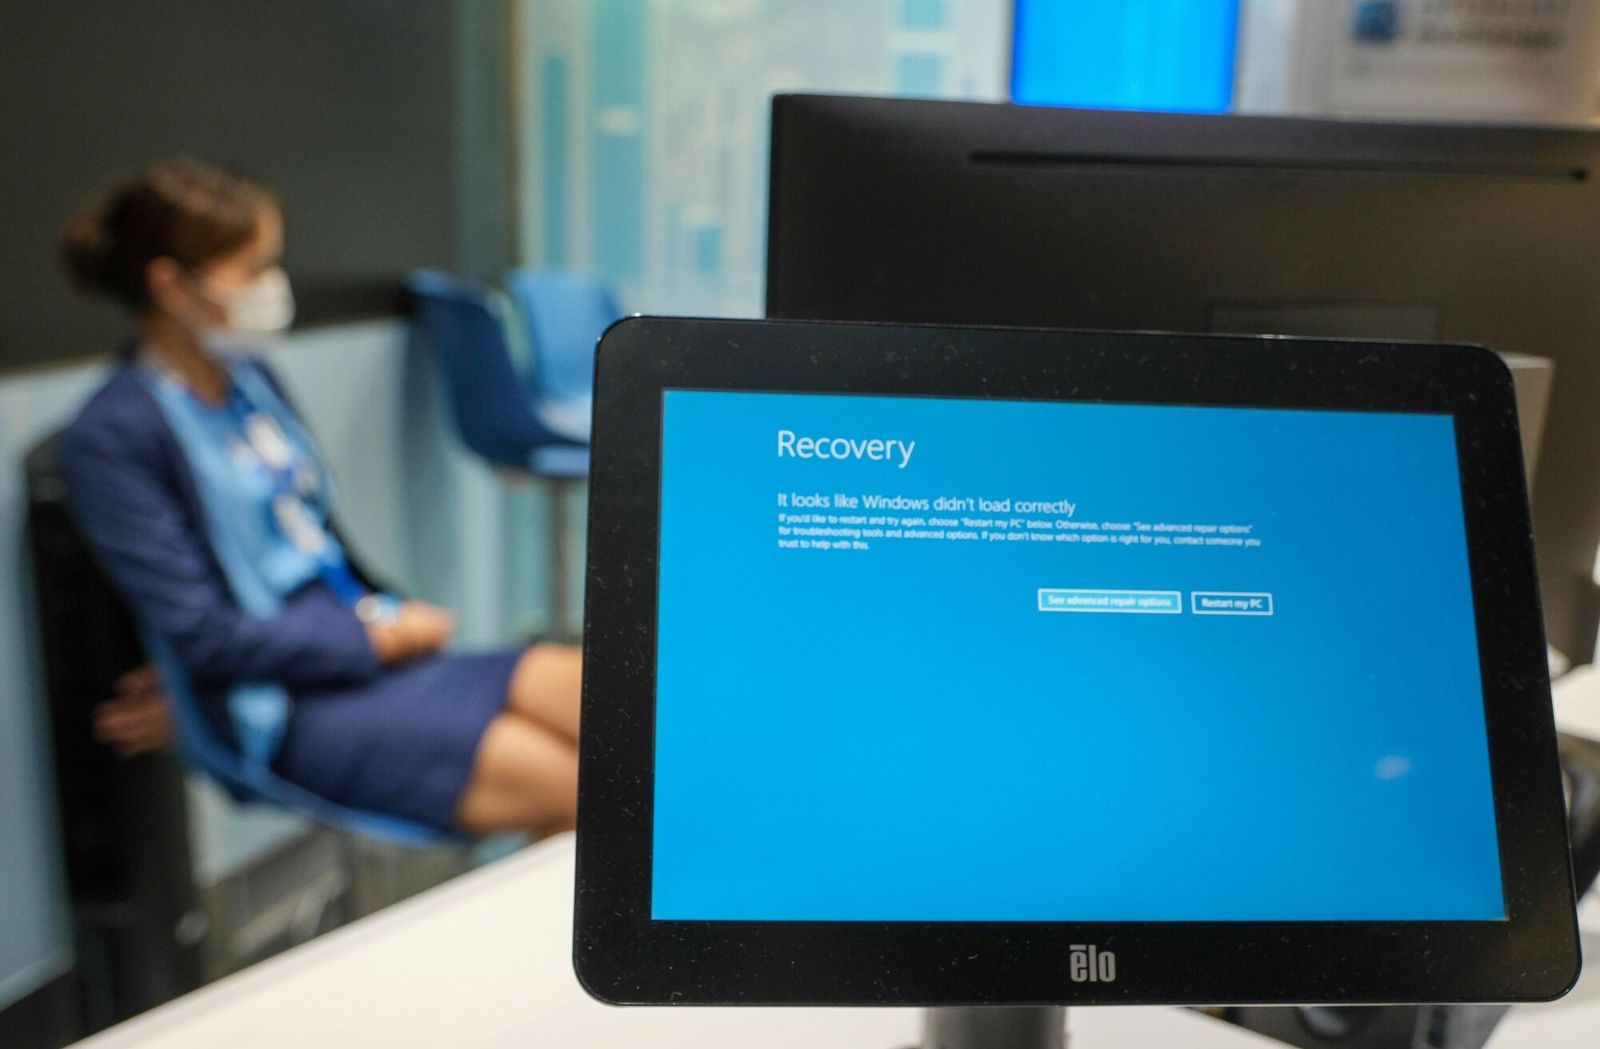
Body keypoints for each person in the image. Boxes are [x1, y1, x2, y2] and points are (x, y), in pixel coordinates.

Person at [59, 158, 579, 837]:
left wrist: (386, 624)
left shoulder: (251, 381)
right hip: (284, 704)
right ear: (172, 286)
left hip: (365, 649)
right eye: (249, 271)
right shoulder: (113, 433)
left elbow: (311, 530)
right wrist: (374, 642)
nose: (271, 288)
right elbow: (204, 637)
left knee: (621, 719)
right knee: (579, 790)